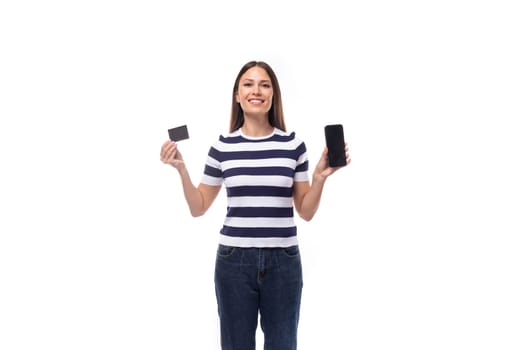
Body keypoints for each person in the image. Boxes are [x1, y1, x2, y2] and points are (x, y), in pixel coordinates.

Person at [160, 60, 350, 350]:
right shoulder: (222, 147)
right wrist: (181, 169)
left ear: (273, 95)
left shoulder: (293, 145)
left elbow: (306, 212)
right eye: (248, 84)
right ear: (237, 95)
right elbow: (198, 207)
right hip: (234, 262)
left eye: (264, 85)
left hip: (283, 263)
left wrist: (319, 178)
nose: (256, 90)